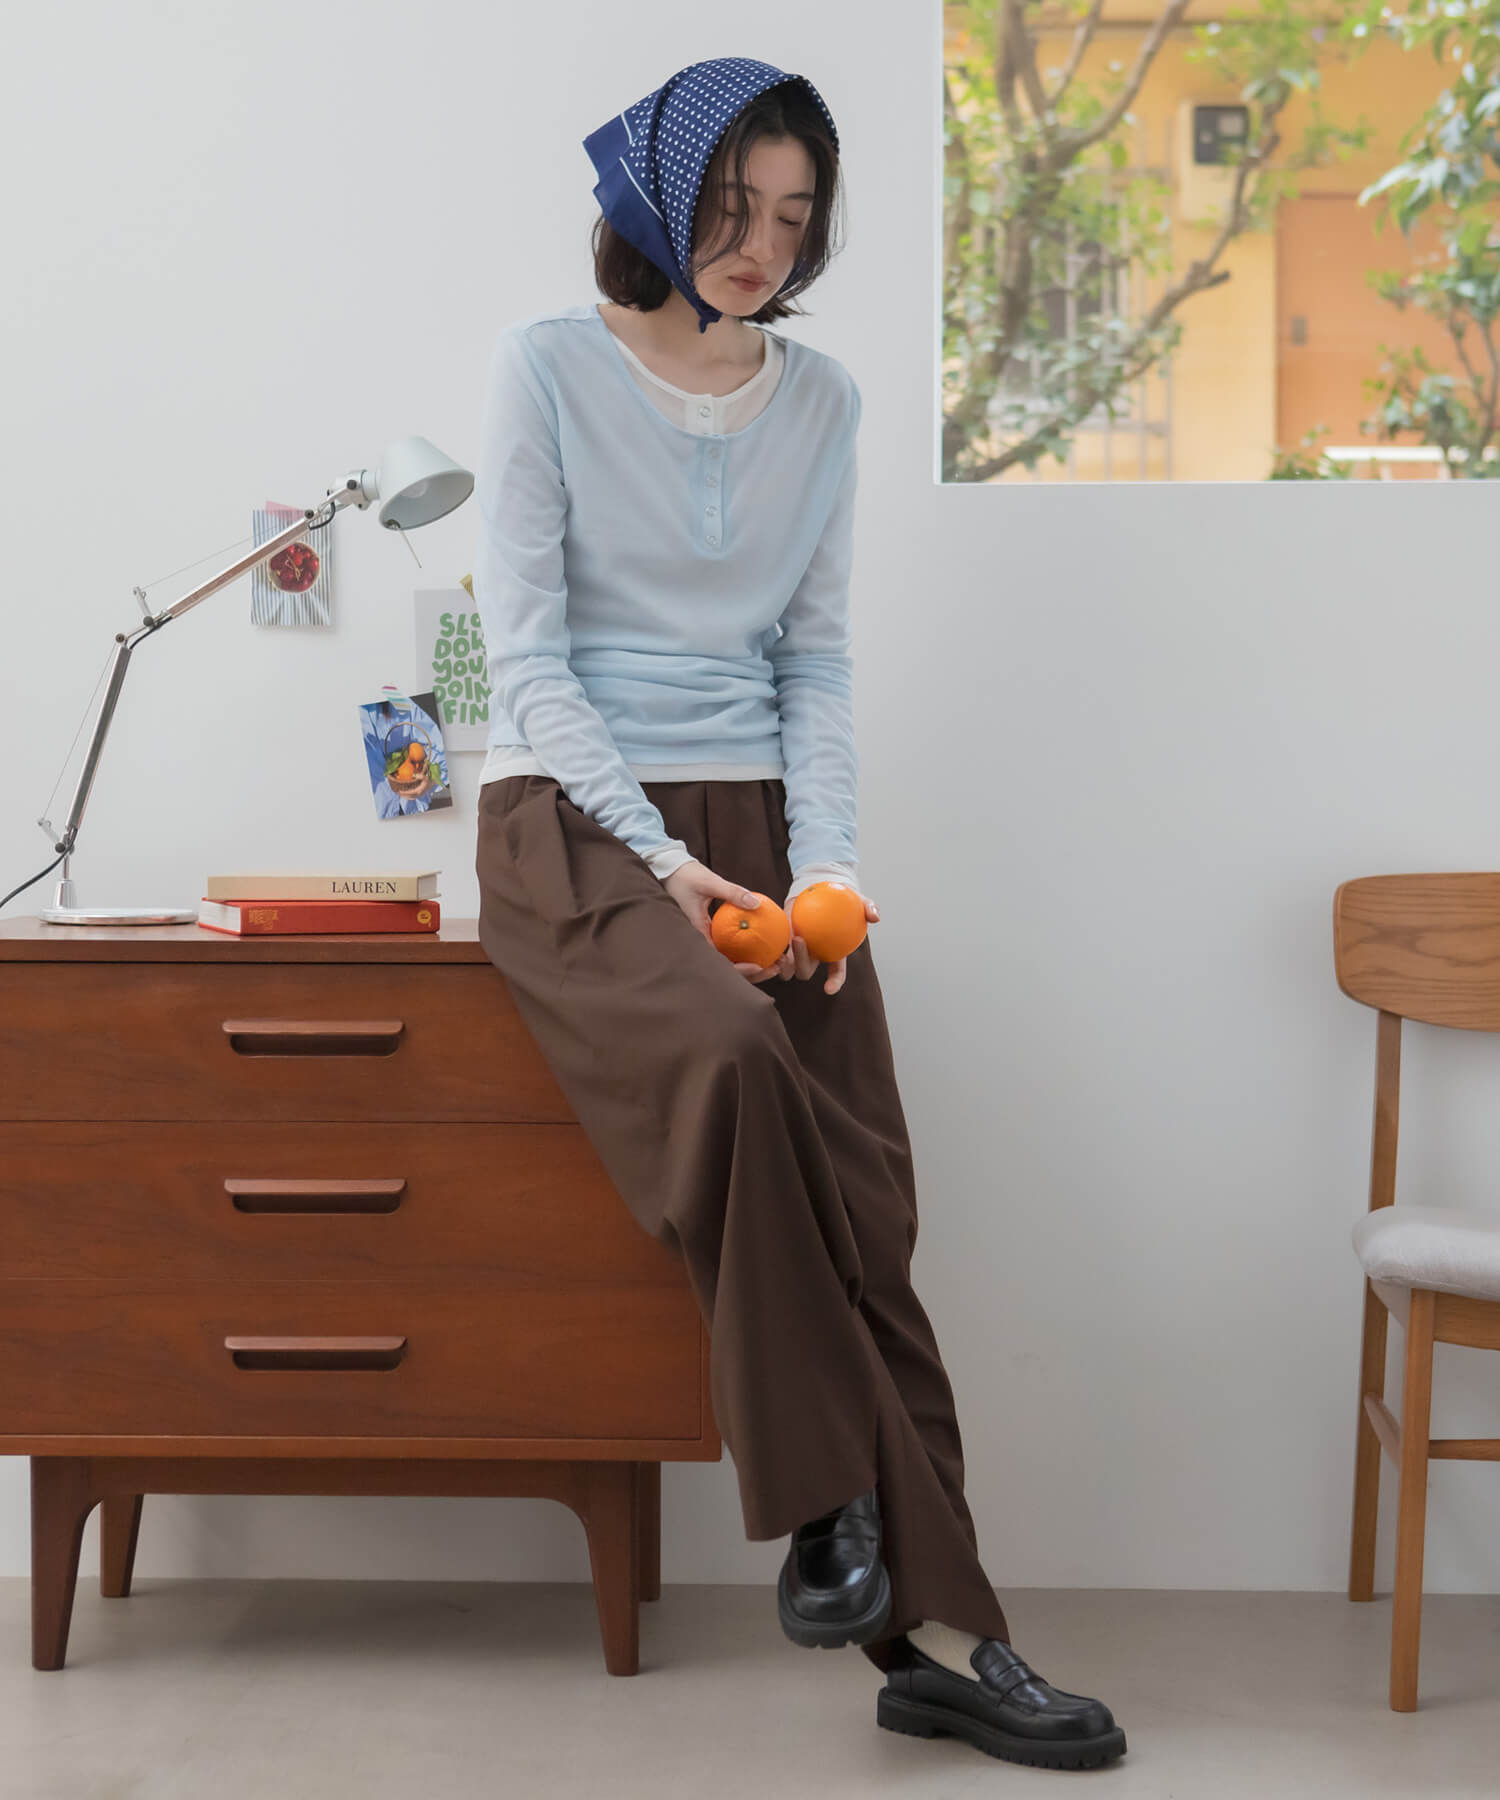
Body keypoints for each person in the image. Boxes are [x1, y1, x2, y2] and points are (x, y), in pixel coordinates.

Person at [471, 55, 1126, 1772]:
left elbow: (813, 660)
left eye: (792, 216)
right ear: (657, 196)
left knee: (869, 1200)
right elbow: (527, 660)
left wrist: (824, 870)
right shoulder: (544, 367)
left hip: (757, 822)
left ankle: (946, 1643)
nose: (762, 245)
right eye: (730, 208)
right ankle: (830, 1498)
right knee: (738, 1064)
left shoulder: (820, 404)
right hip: (571, 820)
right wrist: (658, 859)